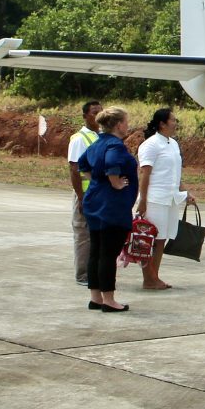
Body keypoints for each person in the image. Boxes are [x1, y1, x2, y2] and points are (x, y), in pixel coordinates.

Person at [78, 106, 137, 311]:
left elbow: (82, 163)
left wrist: (97, 180)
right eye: (126, 121)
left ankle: (96, 297)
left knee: (96, 251)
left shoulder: (97, 143)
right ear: (119, 124)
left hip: (94, 202)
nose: (128, 125)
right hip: (111, 205)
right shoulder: (115, 145)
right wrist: (114, 182)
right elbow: (112, 162)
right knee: (108, 253)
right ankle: (110, 299)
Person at [134, 108, 192, 292]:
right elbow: (145, 174)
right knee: (149, 239)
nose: (176, 123)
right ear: (162, 124)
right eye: (173, 120)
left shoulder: (172, 143)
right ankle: (148, 278)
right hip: (155, 199)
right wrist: (143, 201)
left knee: (161, 239)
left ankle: (154, 276)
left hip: (171, 198)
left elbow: (175, 173)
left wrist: (185, 192)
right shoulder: (150, 145)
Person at [65, 100, 101, 284]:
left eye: (100, 112)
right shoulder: (80, 139)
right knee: (83, 234)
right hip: (86, 194)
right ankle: (83, 274)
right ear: (85, 116)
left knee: (97, 234)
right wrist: (81, 197)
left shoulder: (101, 136)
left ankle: (94, 271)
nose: (98, 115)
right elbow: (74, 169)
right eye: (94, 112)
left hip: (100, 194)